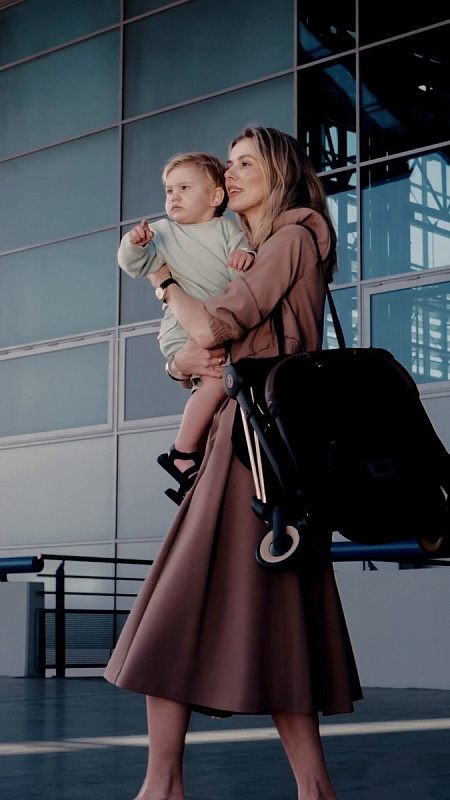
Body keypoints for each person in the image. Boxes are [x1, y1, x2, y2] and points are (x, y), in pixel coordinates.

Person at [105, 126, 362, 800]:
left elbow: (214, 329)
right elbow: (204, 353)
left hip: (250, 451)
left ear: (279, 173)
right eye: (229, 164)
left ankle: (163, 787)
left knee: (172, 612)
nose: (232, 173)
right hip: (251, 444)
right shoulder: (256, 246)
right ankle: (308, 789)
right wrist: (181, 361)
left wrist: (164, 281)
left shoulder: (290, 238)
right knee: (279, 619)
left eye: (246, 163)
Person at [118, 152, 254, 499]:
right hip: (180, 327)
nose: (173, 197)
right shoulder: (163, 233)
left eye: (184, 188)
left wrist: (246, 256)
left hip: (215, 324)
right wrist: (134, 245)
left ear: (215, 196)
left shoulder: (228, 230)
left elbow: (244, 272)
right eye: (169, 190)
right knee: (214, 381)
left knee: (219, 386)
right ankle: (181, 452)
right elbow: (135, 267)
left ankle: (202, 453)